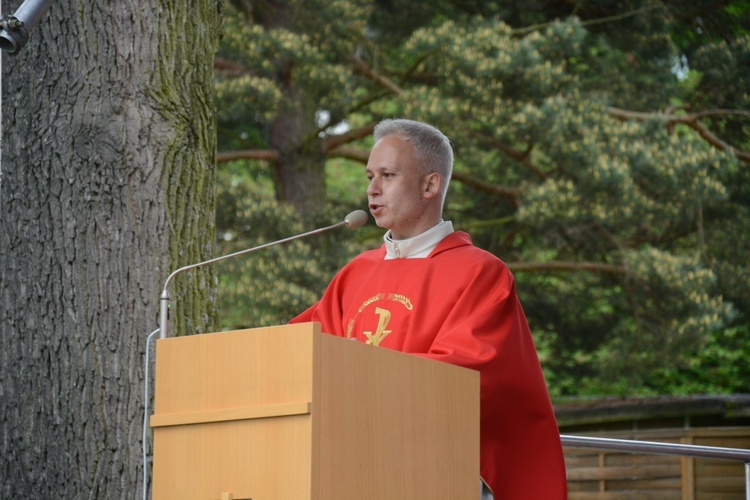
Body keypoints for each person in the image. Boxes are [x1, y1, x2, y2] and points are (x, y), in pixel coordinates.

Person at [289, 118, 568, 499]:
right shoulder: (355, 274)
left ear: (430, 184)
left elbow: (463, 377)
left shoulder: (479, 272)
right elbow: (298, 350)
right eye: (370, 176)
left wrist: (359, 380)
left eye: (387, 175)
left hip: (438, 471)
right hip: (352, 468)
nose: (372, 190)